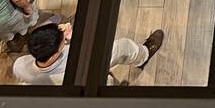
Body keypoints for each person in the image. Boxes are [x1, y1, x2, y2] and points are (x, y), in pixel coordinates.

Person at [12, 21, 164, 86]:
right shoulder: (73, 68)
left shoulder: (19, 66)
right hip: (91, 70)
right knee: (122, 46)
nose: (64, 36)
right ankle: (144, 55)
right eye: (62, 41)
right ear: (53, 55)